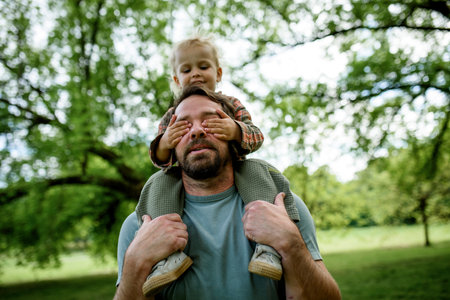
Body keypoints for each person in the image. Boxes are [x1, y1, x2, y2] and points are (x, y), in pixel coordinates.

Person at [113, 86, 341, 300]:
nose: (196, 131)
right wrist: (134, 263)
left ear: (233, 136)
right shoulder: (140, 228)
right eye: (182, 126)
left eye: (211, 121)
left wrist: (292, 244)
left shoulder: (282, 209)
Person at [142, 35, 299, 296]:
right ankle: (168, 257)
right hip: (182, 173)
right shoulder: (173, 114)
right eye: (186, 69)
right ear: (176, 80)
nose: (195, 74)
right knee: (159, 183)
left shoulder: (231, 106)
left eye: (203, 66)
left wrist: (235, 129)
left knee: (258, 170)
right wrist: (165, 141)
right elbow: (158, 157)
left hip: (235, 168)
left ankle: (267, 248)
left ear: (218, 72)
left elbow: (256, 136)